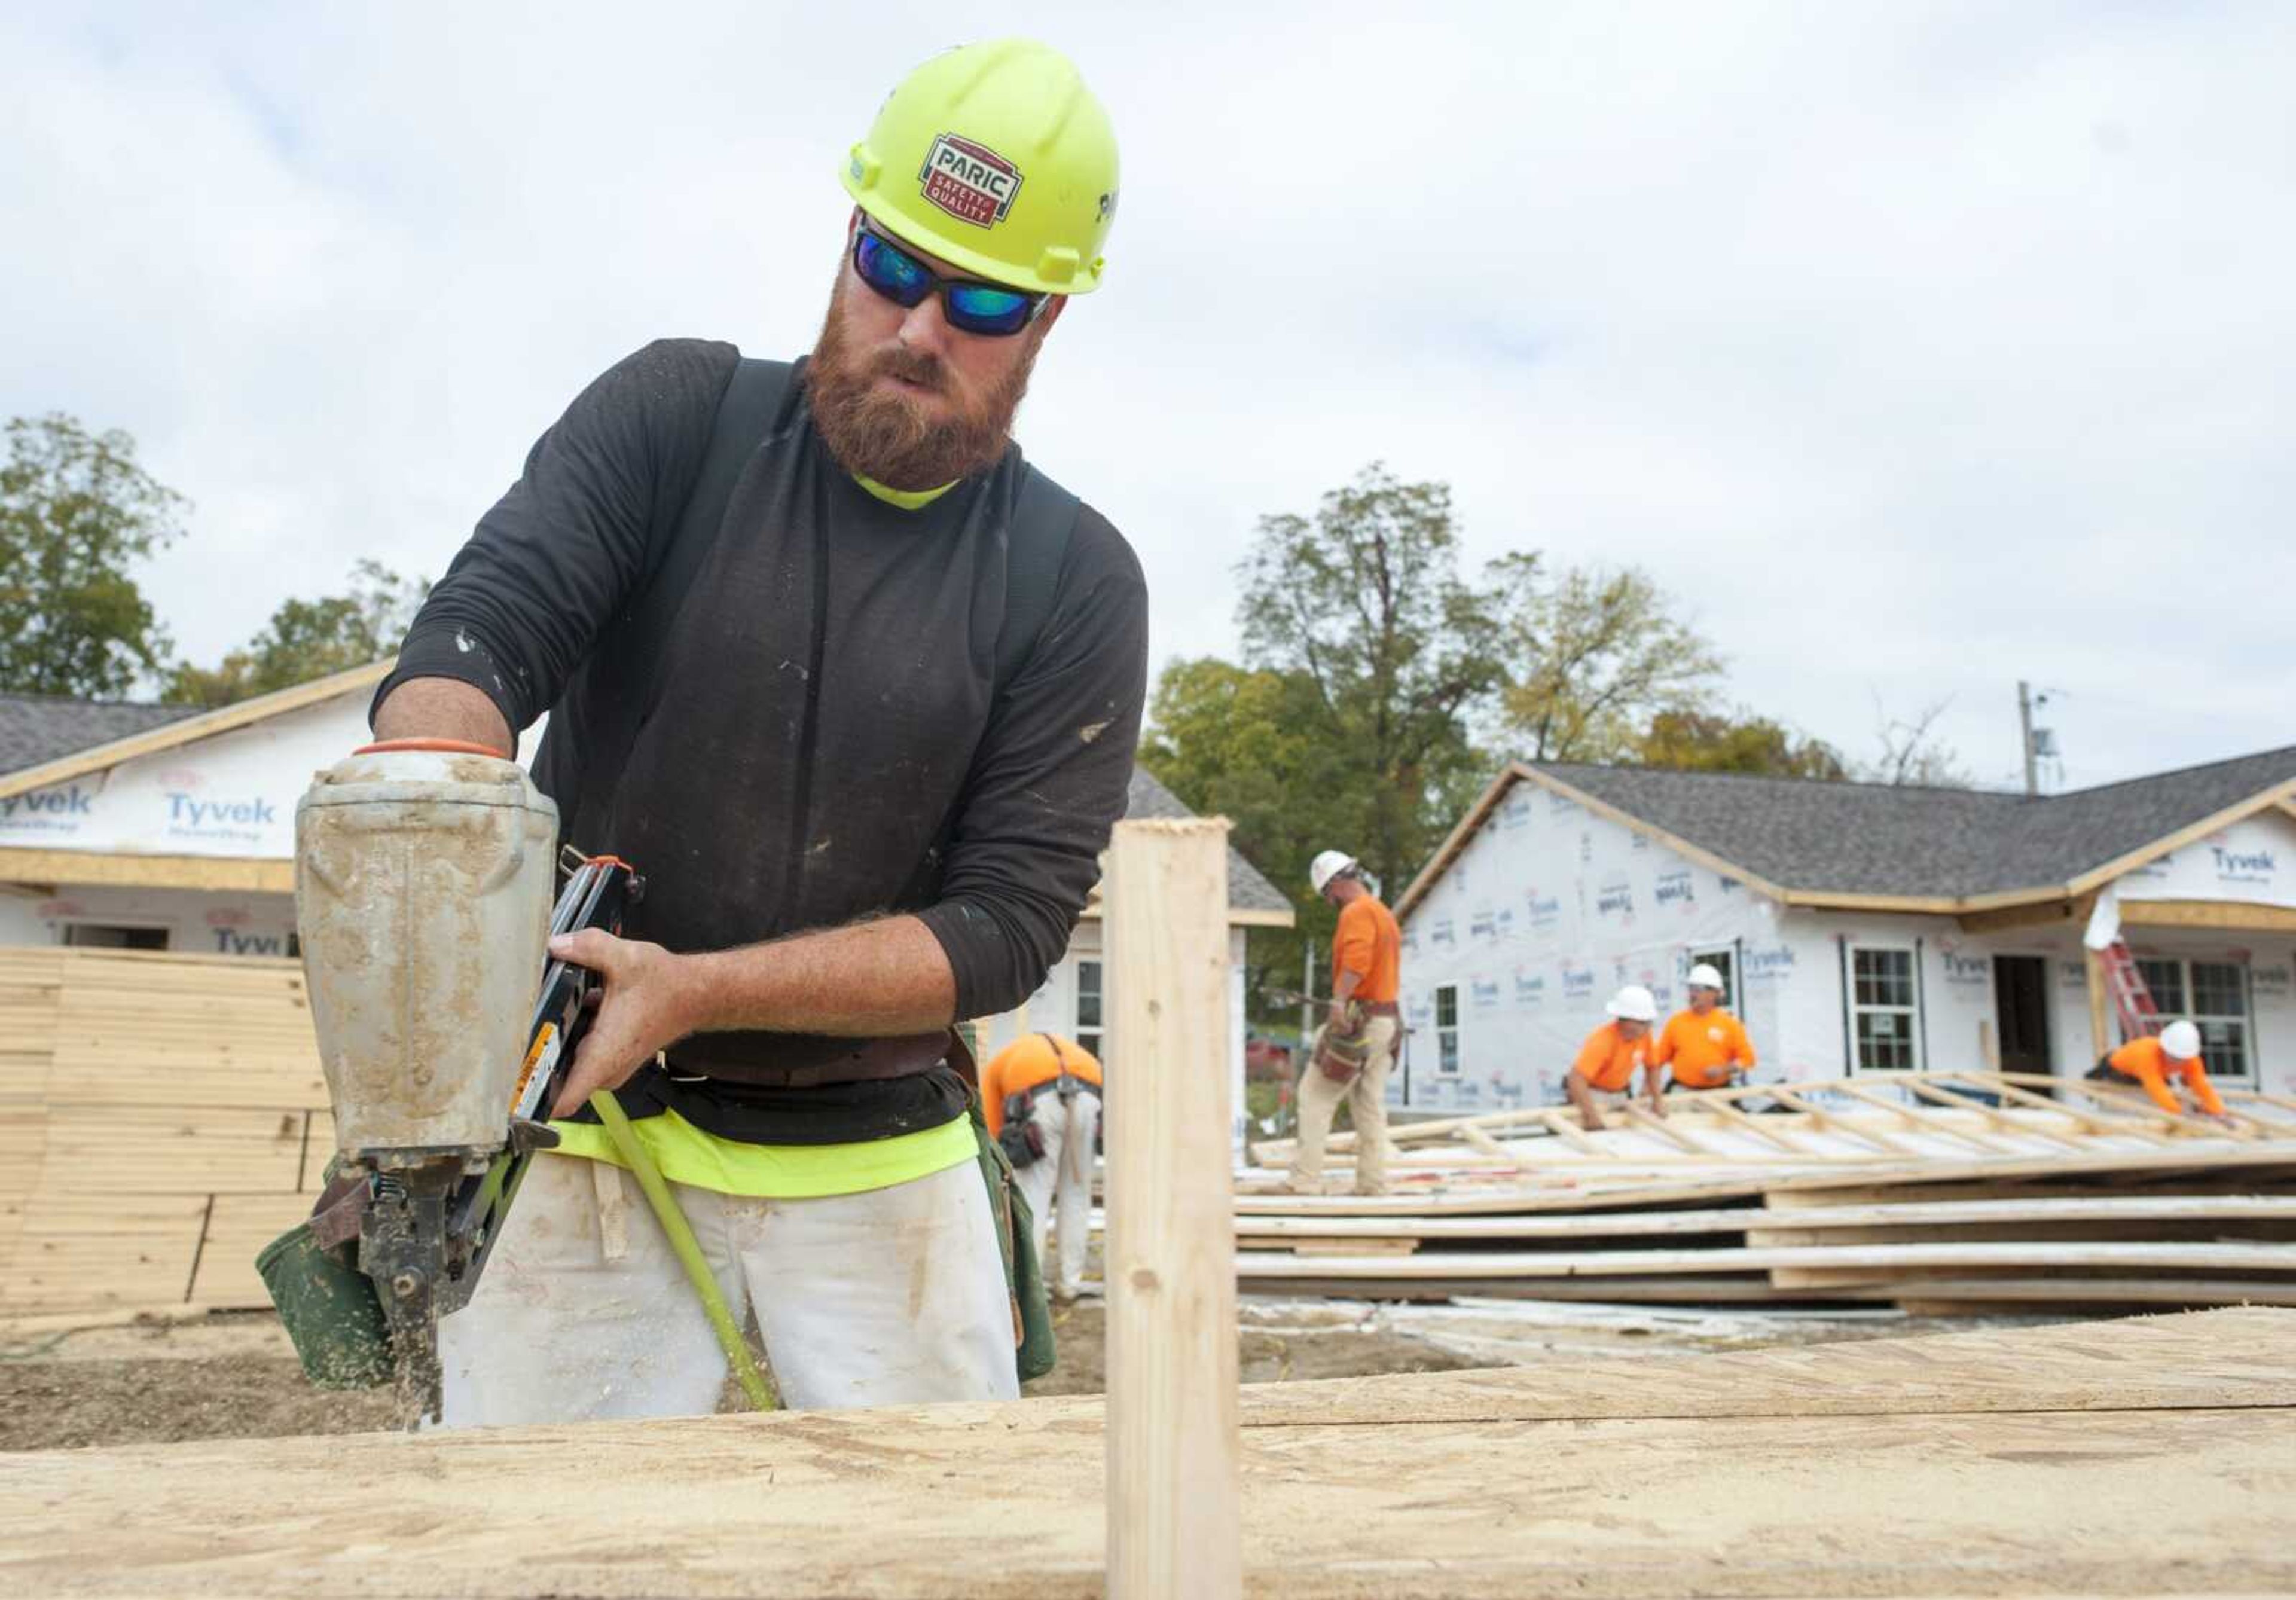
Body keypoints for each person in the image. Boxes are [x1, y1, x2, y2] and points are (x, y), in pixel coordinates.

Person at [365, 39, 1143, 1424]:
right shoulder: (676, 419)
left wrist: (700, 988)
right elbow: (479, 637)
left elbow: (1006, 926)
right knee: (517, 1546)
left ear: (1045, 324)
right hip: (591, 1127)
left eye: (976, 299)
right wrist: (427, 824)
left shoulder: (1071, 577)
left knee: (945, 1554)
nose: (914, 327)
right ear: (847, 236)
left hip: (878, 1163)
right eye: (891, 266)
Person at [1287, 850, 1402, 1196]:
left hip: (1361, 1020)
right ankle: (1372, 1184)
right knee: (1369, 1103)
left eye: (1327, 894)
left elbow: (1356, 961)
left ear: (1336, 883)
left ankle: (1304, 1181)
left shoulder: (1356, 912)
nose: (1330, 901)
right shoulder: (1383, 913)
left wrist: (1339, 1001)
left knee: (1316, 1095)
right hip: (1386, 1020)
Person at [980, 1033, 1102, 1300]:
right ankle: (1070, 1284)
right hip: (1090, 1097)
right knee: (1077, 1195)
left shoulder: (995, 1068)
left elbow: (991, 1132)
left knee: (1032, 1196)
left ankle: (1031, 1289)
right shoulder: (1052, 1049)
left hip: (1041, 1102)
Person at [2088, 1021, 2231, 1123]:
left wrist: (2218, 1110)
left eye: (2181, 1058)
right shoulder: (2147, 1055)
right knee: (2133, 1106)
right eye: (2173, 1056)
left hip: (2152, 1074)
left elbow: (2201, 1085)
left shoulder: (2191, 1059)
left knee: (2175, 1097)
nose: (2176, 1062)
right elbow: (2156, 1089)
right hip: (2118, 1071)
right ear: (2164, 1048)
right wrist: (2181, 1113)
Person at [1565, 985, 1663, 1131]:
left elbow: (1652, 1067)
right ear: (1625, 1020)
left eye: (1648, 1023)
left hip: (1620, 1095)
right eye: (1643, 1023)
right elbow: (1576, 1079)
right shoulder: (1603, 1040)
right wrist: (1591, 1115)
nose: (1648, 1027)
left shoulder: (1644, 1037)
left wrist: (1658, 1101)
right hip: (1594, 1096)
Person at [1653, 963, 1757, 1093]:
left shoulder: (1730, 1024)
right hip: (1682, 1091)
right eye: (1691, 989)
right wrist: (1652, 1089)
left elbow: (1748, 1060)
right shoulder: (1677, 1022)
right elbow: (1657, 1060)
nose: (1693, 994)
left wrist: (1723, 1069)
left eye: (1699, 989)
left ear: (1715, 993)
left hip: (1718, 1093)